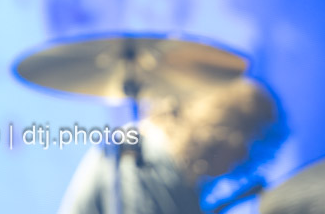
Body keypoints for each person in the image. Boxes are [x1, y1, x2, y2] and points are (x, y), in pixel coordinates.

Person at [56, 78, 279, 214]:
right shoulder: (147, 156)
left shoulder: (169, 169)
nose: (244, 157)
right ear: (218, 131)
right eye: (245, 141)